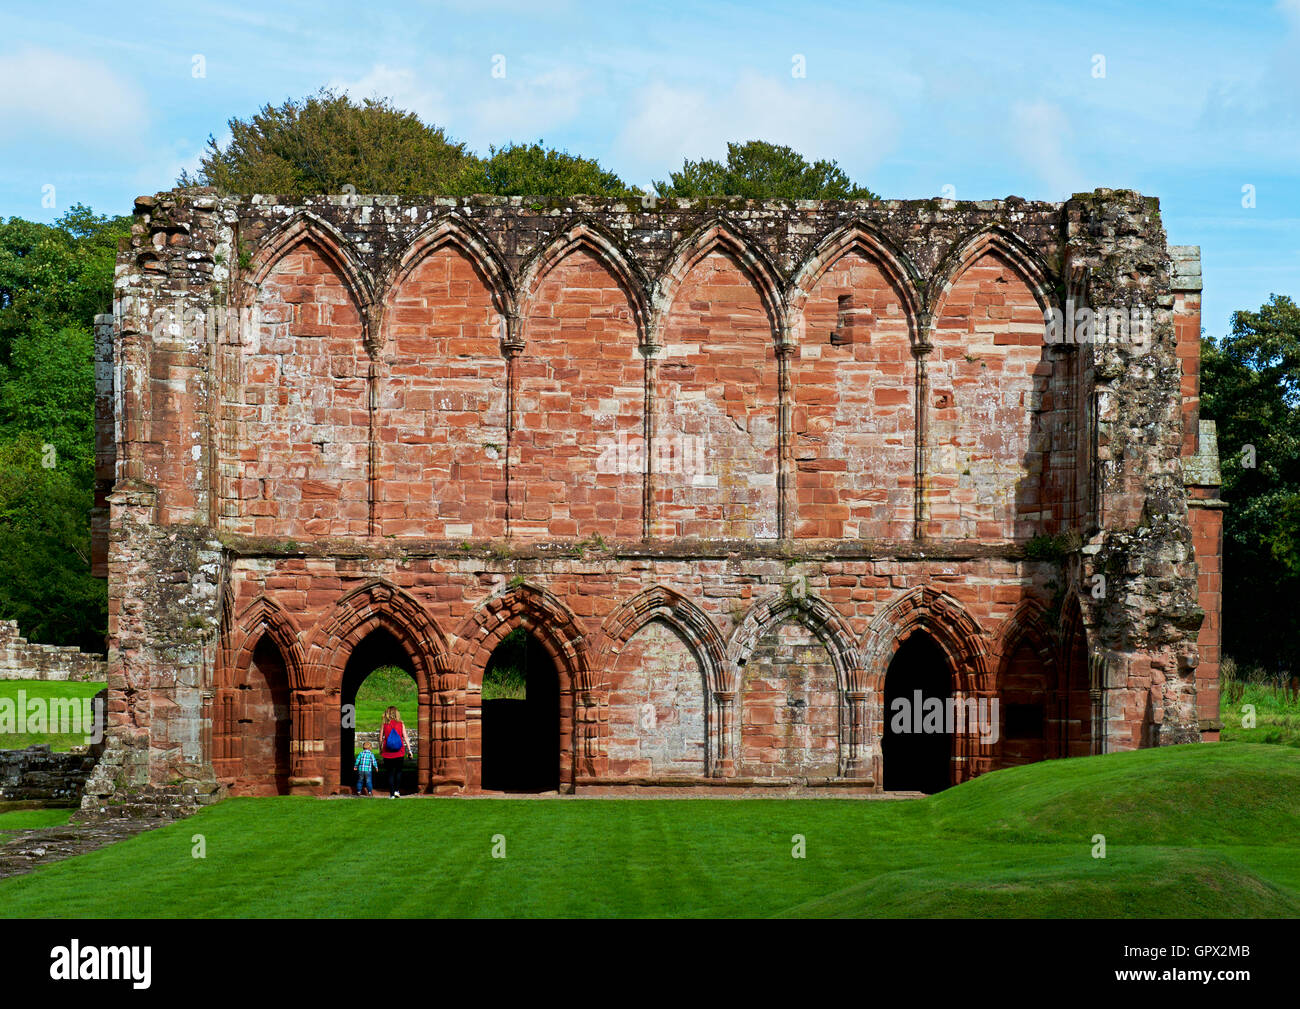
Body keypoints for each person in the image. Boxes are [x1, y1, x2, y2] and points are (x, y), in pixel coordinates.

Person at [380, 705, 410, 798]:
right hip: (399, 751)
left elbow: (381, 738)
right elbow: (405, 737)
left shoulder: (384, 724)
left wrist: (380, 749)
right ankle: (397, 790)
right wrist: (409, 750)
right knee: (398, 772)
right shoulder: (401, 724)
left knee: (390, 773)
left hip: (387, 751)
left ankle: (392, 794)